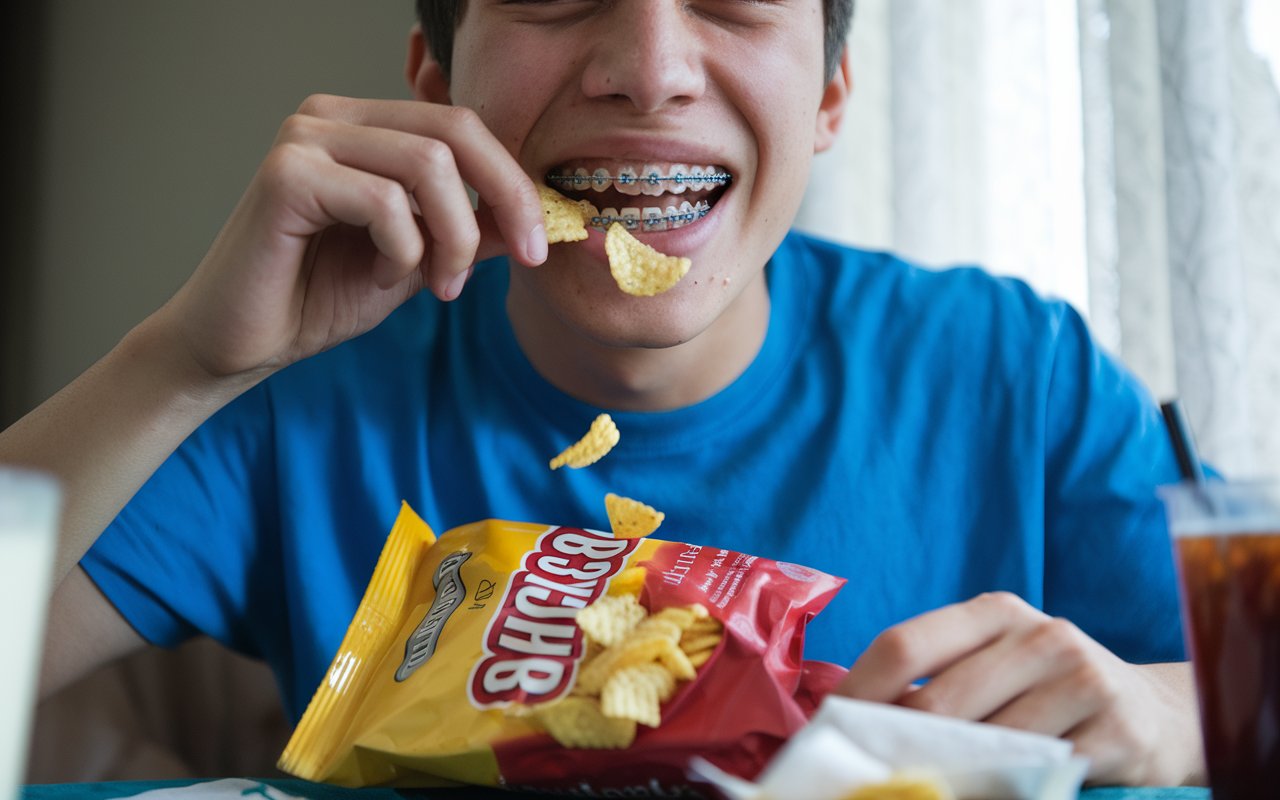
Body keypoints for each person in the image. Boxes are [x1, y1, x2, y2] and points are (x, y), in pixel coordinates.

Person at [2, 0, 1204, 788]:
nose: (648, 70)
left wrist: (1171, 713)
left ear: (832, 94)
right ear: (435, 79)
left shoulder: (1012, 374)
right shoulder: (295, 396)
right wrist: (182, 363)